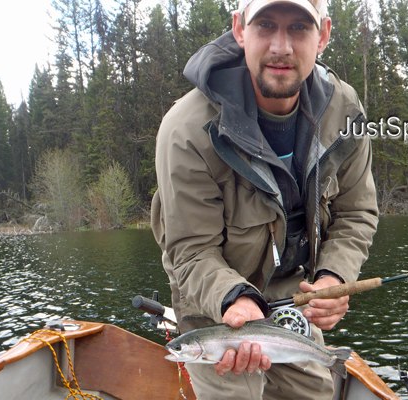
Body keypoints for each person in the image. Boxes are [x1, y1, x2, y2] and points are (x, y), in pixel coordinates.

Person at [151, 0, 378, 397]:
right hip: (214, 305)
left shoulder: (345, 111)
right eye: (266, 25)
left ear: (323, 35)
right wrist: (233, 300)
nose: (281, 47)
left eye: (299, 29)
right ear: (240, 30)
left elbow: (356, 212)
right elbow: (190, 250)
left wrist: (334, 277)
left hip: (292, 297)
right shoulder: (186, 130)